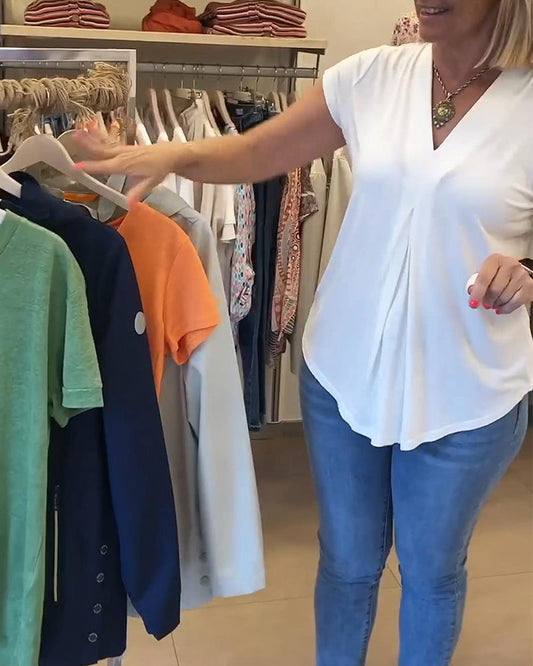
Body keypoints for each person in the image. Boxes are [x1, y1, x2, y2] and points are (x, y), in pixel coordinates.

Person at [74, 1, 533, 663]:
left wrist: (525, 270)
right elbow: (255, 150)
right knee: (346, 561)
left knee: (432, 571)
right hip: (344, 372)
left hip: (465, 388)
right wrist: (165, 154)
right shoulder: (372, 77)